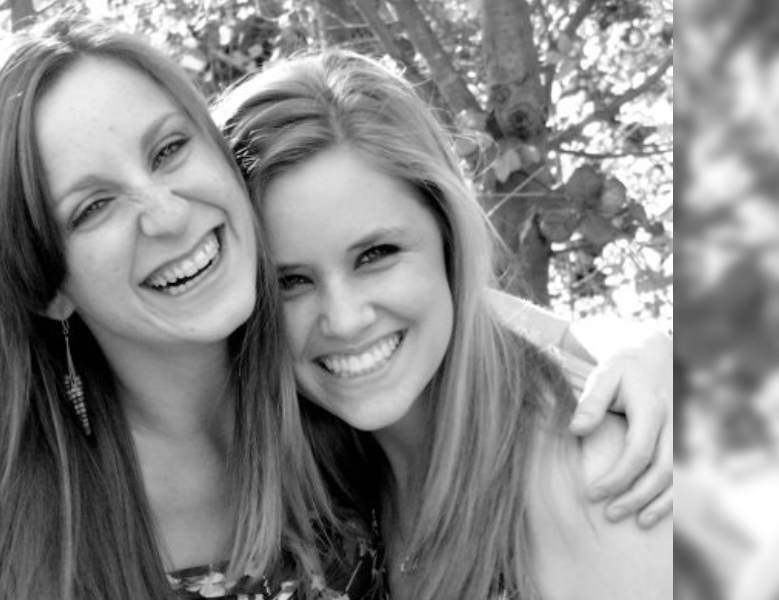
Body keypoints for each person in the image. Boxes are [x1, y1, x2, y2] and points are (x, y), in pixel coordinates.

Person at [0, 15, 670, 600]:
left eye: (168, 150)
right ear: (44, 280)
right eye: (92, 207)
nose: (166, 213)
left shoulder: (331, 390)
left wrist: (672, 362)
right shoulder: (39, 528)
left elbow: (472, 321)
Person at [215, 50, 672, 600]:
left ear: (448, 238)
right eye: (290, 282)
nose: (343, 318)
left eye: (376, 254)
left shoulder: (595, 479)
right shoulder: (339, 475)